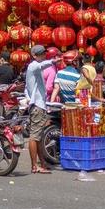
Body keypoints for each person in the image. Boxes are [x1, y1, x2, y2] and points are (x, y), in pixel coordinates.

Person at [25, 45, 58, 174]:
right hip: (37, 105)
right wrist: (53, 61)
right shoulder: (33, 66)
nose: (43, 56)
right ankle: (34, 166)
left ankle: (42, 163)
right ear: (34, 55)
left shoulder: (36, 68)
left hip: (40, 104)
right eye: (41, 54)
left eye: (44, 54)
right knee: (34, 136)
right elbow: (42, 65)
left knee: (38, 136)